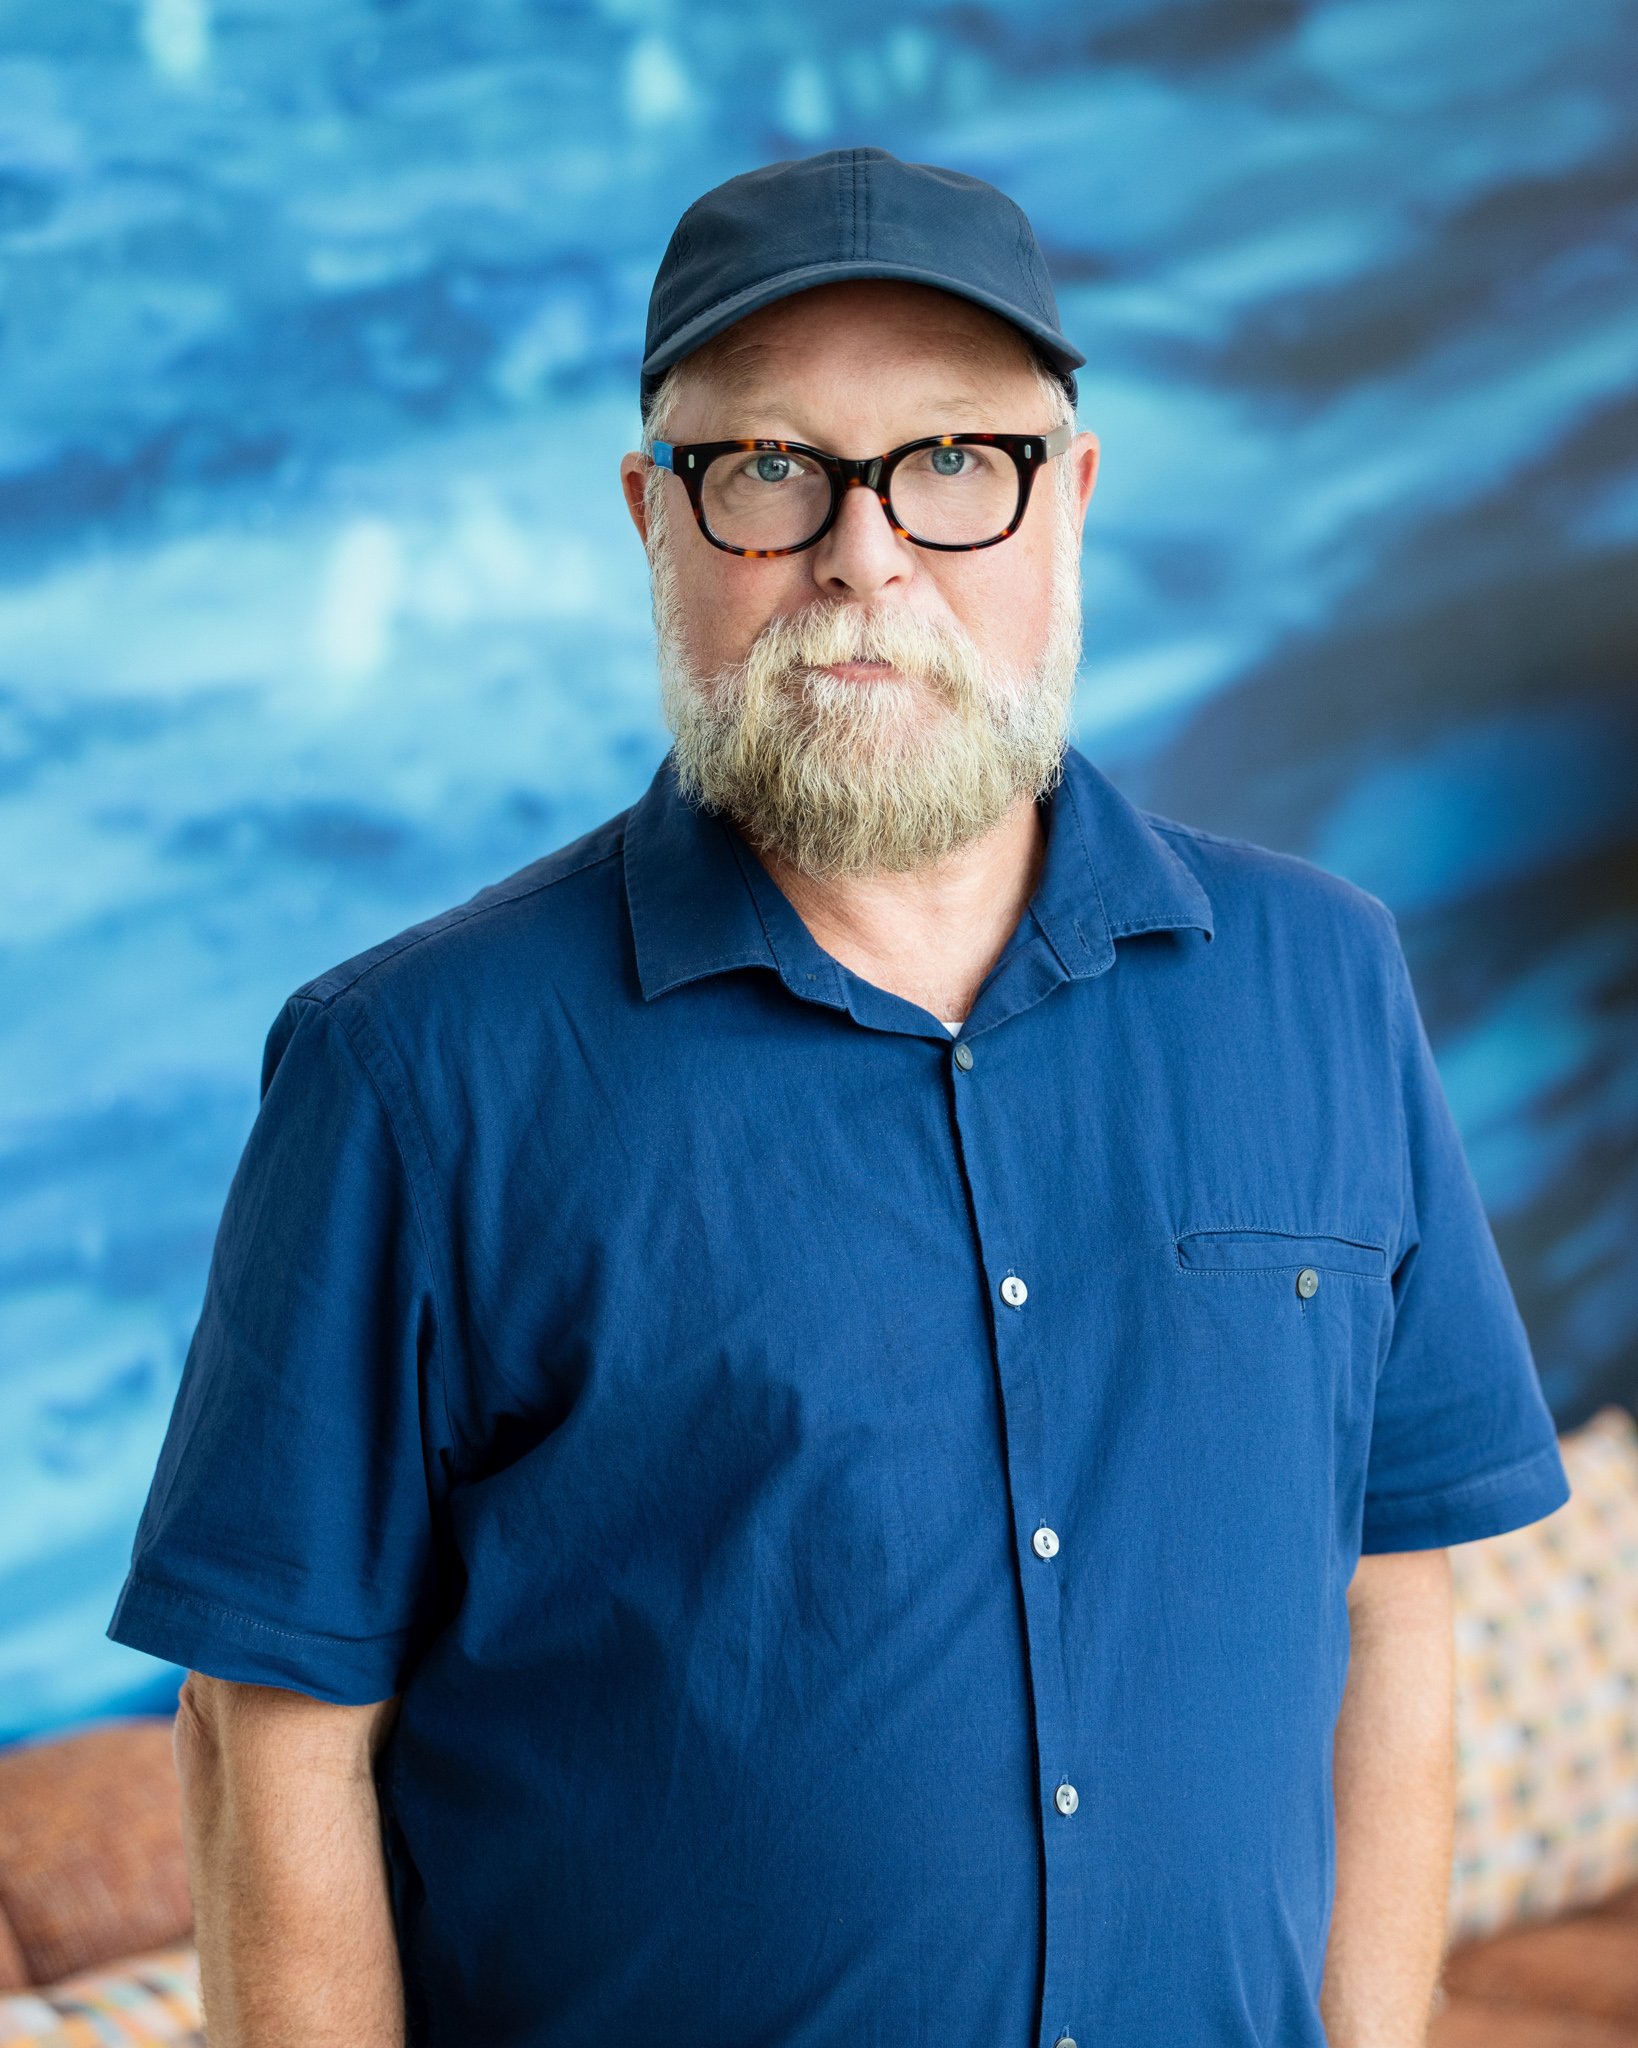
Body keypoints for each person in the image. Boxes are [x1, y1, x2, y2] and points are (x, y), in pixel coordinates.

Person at [106, 147, 1570, 2048]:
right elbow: (273, 1733)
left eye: (954, 463)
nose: (863, 554)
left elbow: (1388, 1603)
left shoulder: (1324, 984)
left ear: (1074, 502)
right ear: (654, 516)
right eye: (770, 469)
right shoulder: (411, 1070)